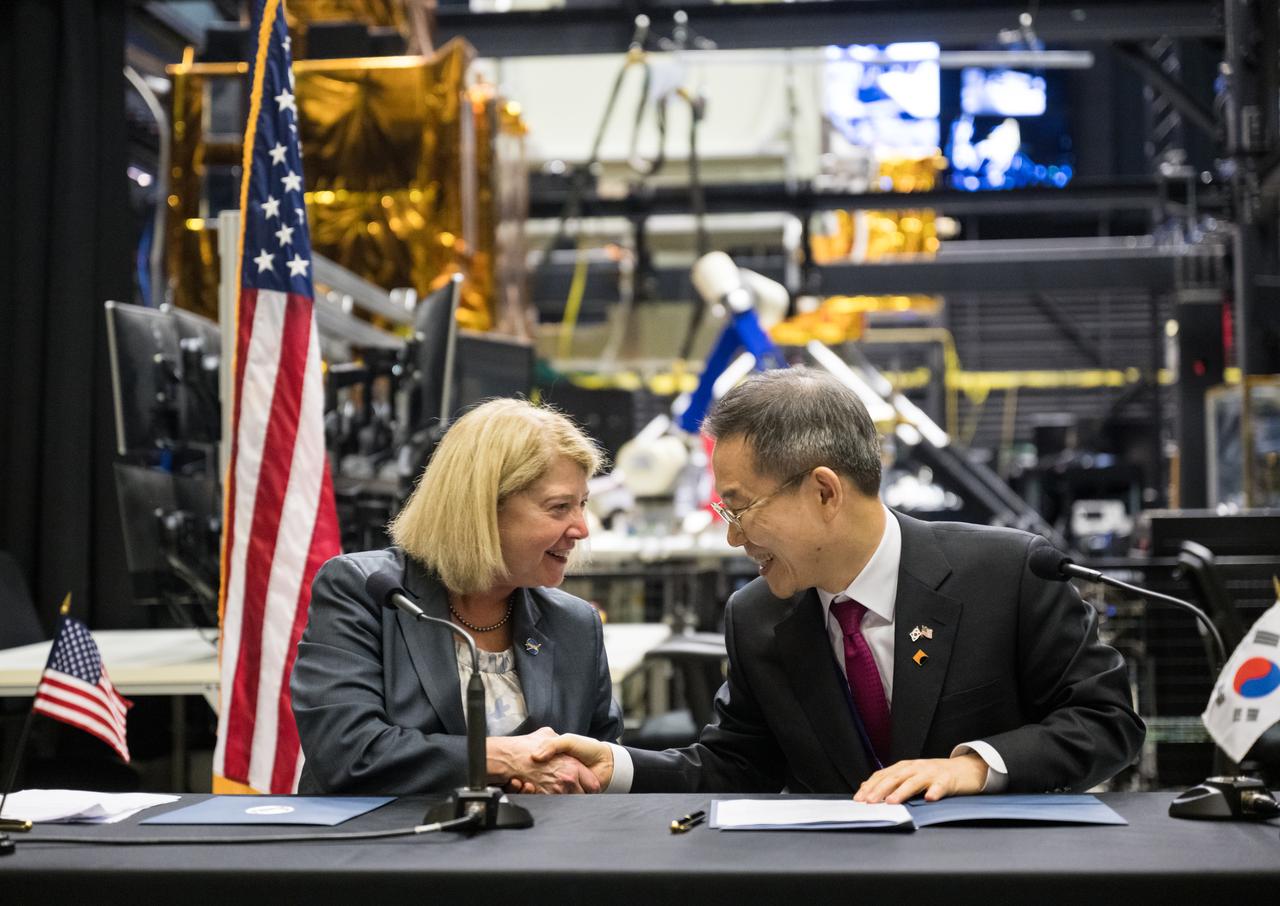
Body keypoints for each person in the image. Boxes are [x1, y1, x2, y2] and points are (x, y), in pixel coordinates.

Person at [532, 366, 1144, 802]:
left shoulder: (1006, 573)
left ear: (825, 492)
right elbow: (736, 765)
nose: (734, 538)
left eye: (739, 509)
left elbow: (1107, 722)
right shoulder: (758, 616)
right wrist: (614, 765)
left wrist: (976, 767)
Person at [291, 398, 622, 794]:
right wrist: (504, 759)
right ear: (482, 509)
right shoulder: (365, 591)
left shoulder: (575, 624)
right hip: (385, 834)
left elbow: (600, 769)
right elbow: (346, 753)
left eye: (582, 504)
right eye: (559, 507)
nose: (582, 529)